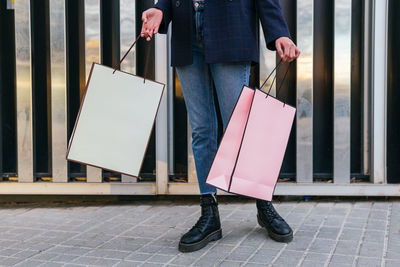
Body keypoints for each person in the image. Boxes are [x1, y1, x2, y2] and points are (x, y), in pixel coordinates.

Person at [141, 0, 300, 253]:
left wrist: (279, 32)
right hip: (186, 31)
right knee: (202, 130)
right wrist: (161, 8)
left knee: (241, 130)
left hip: (229, 28)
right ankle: (210, 214)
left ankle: (263, 205)